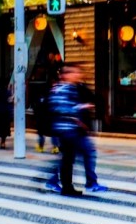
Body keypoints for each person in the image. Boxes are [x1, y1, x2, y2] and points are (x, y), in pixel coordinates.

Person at [44, 64, 106, 196]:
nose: (78, 75)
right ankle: (69, 184)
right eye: (74, 73)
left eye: (78, 73)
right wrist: (81, 107)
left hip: (71, 129)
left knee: (69, 158)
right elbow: (59, 108)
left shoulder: (72, 88)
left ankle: (65, 185)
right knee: (75, 156)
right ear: (66, 75)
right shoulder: (62, 89)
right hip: (67, 130)